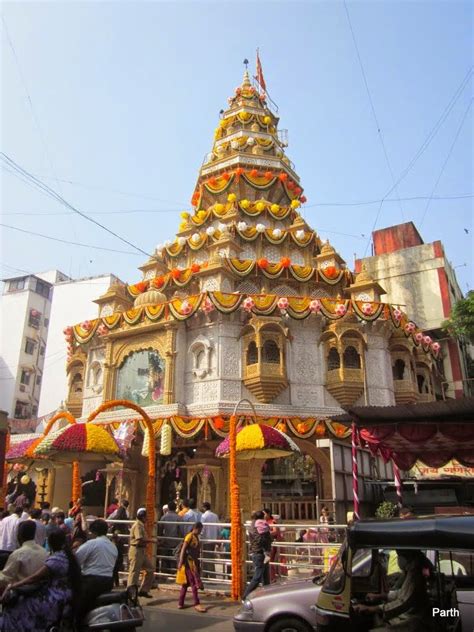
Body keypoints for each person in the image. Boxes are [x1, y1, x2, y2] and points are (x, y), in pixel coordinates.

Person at [0, 528, 82, 630]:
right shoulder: (68, 555)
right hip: (65, 594)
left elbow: (35, 577)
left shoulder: (57, 558)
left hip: (55, 596)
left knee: (23, 606)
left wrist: (14, 585)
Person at [354, 550, 431, 630]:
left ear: (407, 557)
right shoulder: (411, 572)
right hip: (407, 616)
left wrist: (373, 608)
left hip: (415, 619)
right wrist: (380, 596)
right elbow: (401, 593)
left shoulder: (415, 574)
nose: (398, 558)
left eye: (399, 555)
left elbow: (403, 602)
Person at [76, 518, 118, 619]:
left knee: (76, 606)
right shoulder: (113, 546)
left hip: (91, 582)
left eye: (90, 532)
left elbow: (75, 560)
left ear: (94, 532)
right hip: (108, 582)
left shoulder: (92, 543)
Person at [0, 521, 48, 590]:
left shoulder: (18, 554)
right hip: (42, 593)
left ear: (19, 535)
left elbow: (6, 578)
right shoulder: (44, 552)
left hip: (22, 594)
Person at [176, 522, 206, 612]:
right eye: (200, 529)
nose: (200, 531)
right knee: (193, 583)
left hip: (192, 562)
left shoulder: (195, 537)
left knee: (185, 584)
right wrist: (181, 561)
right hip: (189, 563)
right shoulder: (189, 536)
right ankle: (197, 603)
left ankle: (180, 603)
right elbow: (183, 549)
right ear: (196, 528)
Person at [127, 508, 156, 597]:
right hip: (136, 550)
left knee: (150, 569)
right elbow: (139, 539)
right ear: (142, 517)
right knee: (134, 572)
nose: (147, 519)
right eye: (145, 517)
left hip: (142, 551)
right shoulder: (137, 525)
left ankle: (144, 590)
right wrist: (152, 540)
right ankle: (130, 593)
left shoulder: (141, 525)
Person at [243, 511, 272, 599]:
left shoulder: (253, 525)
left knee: (265, 576)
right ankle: (245, 595)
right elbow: (263, 539)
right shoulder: (263, 525)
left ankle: (267, 595)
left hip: (257, 552)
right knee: (258, 576)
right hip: (261, 552)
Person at [158, 500, 181, 575]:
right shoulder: (179, 518)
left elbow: (160, 530)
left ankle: (164, 574)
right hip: (176, 541)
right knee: (174, 558)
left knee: (165, 558)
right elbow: (180, 530)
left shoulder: (164, 517)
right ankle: (173, 573)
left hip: (166, 541)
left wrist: (161, 539)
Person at [201, 502, 219, 577]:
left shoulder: (204, 516)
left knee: (207, 558)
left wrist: (200, 538)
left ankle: (211, 575)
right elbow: (219, 528)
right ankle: (205, 574)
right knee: (208, 557)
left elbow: (202, 529)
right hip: (213, 539)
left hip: (206, 539)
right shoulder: (215, 516)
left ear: (204, 508)